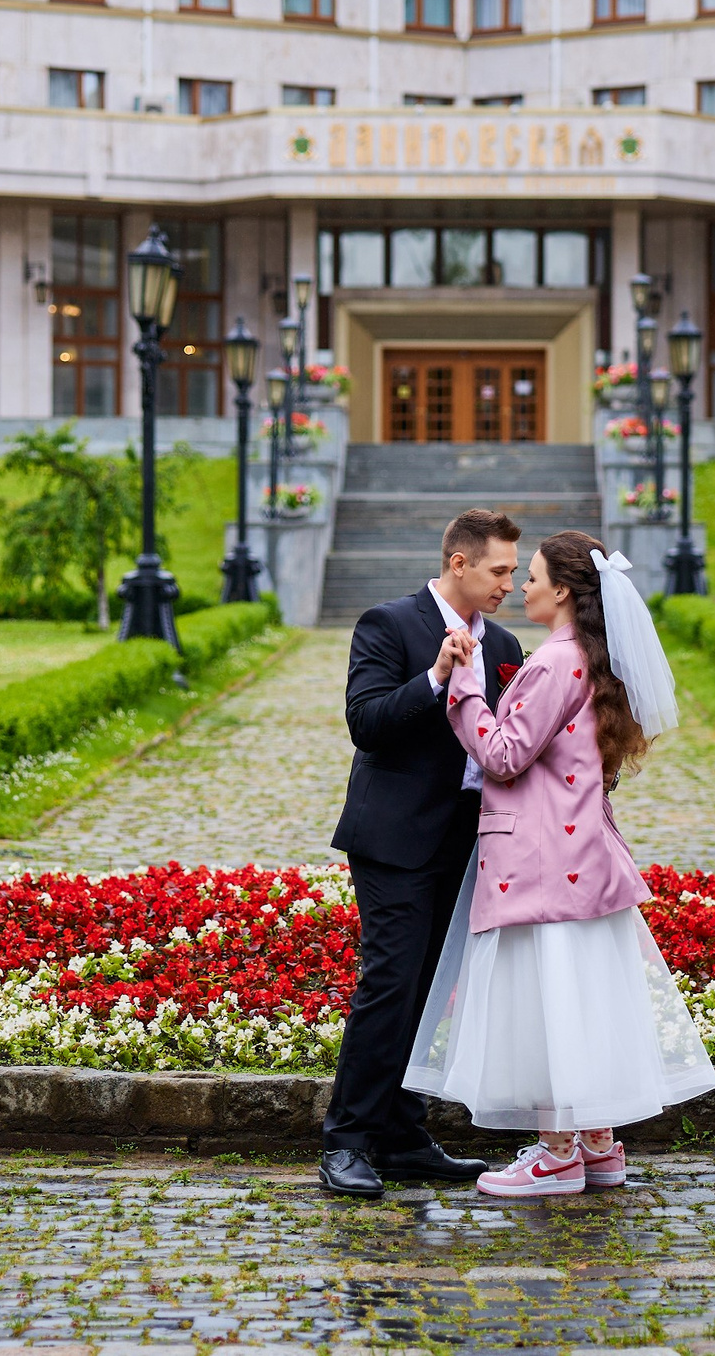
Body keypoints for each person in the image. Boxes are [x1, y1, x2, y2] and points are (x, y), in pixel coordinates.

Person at [405, 530, 715, 1197]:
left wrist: (463, 683)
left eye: (535, 576)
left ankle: (556, 1153)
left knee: (548, 1005)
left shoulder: (553, 662)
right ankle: (599, 1143)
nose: (523, 586)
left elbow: (503, 754)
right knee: (583, 999)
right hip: (583, 856)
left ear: (564, 590)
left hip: (543, 861)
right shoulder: (591, 659)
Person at [318, 507, 529, 1198]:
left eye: (514, 570)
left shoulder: (505, 642)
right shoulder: (389, 623)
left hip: (467, 845)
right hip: (396, 839)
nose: (509, 582)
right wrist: (436, 676)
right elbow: (366, 724)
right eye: (500, 570)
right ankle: (347, 1141)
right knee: (390, 984)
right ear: (460, 563)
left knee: (431, 995)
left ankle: (403, 1135)